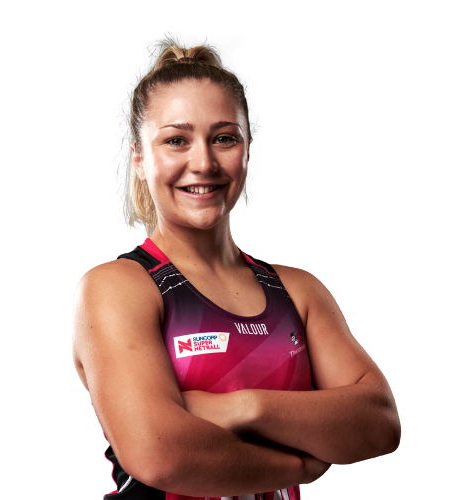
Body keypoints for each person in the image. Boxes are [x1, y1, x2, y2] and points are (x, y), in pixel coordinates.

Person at [72, 33, 401, 499]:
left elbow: (379, 423)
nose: (203, 162)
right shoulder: (118, 287)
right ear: (140, 161)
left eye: (224, 138)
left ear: (247, 151)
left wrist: (244, 408)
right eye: (176, 140)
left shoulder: (298, 290)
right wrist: (302, 466)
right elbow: (159, 455)